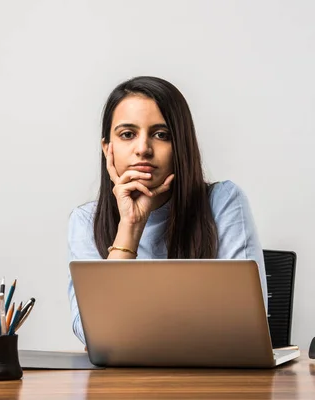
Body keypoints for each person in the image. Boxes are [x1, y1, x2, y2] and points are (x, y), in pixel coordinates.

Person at [67, 76, 267, 345]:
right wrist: (131, 225)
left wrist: (139, 326)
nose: (143, 149)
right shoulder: (85, 221)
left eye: (161, 135)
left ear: (181, 146)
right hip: (122, 384)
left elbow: (244, 322)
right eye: (128, 135)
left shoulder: (222, 201)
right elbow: (94, 334)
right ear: (108, 149)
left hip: (211, 380)